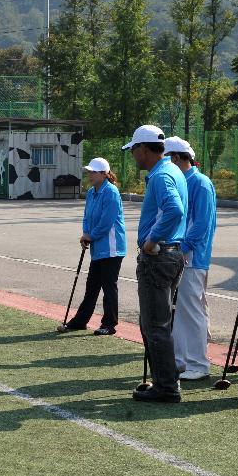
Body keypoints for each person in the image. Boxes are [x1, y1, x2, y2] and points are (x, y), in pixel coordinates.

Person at [124, 125, 188, 403]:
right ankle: (166, 376)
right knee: (156, 321)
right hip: (171, 254)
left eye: (135, 150)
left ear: (144, 149)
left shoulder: (162, 175)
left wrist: (151, 240)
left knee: (155, 324)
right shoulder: (172, 170)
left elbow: (175, 209)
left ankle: (166, 386)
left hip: (159, 255)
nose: (133, 156)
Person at [165, 137, 217, 381]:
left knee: (191, 310)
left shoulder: (200, 183)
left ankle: (198, 363)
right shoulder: (183, 180)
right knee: (182, 310)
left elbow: (201, 224)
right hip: (182, 254)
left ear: (176, 157)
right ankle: (181, 359)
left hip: (192, 257)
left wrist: (182, 248)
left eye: (166, 157)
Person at [57, 157, 126, 335]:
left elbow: (107, 222)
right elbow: (87, 217)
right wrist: (86, 234)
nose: (90, 174)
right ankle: (81, 321)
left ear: (104, 174)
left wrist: (91, 235)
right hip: (98, 246)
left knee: (108, 286)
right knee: (92, 286)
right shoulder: (91, 192)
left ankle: (109, 324)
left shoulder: (111, 192)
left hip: (112, 248)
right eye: (89, 171)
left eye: (93, 172)